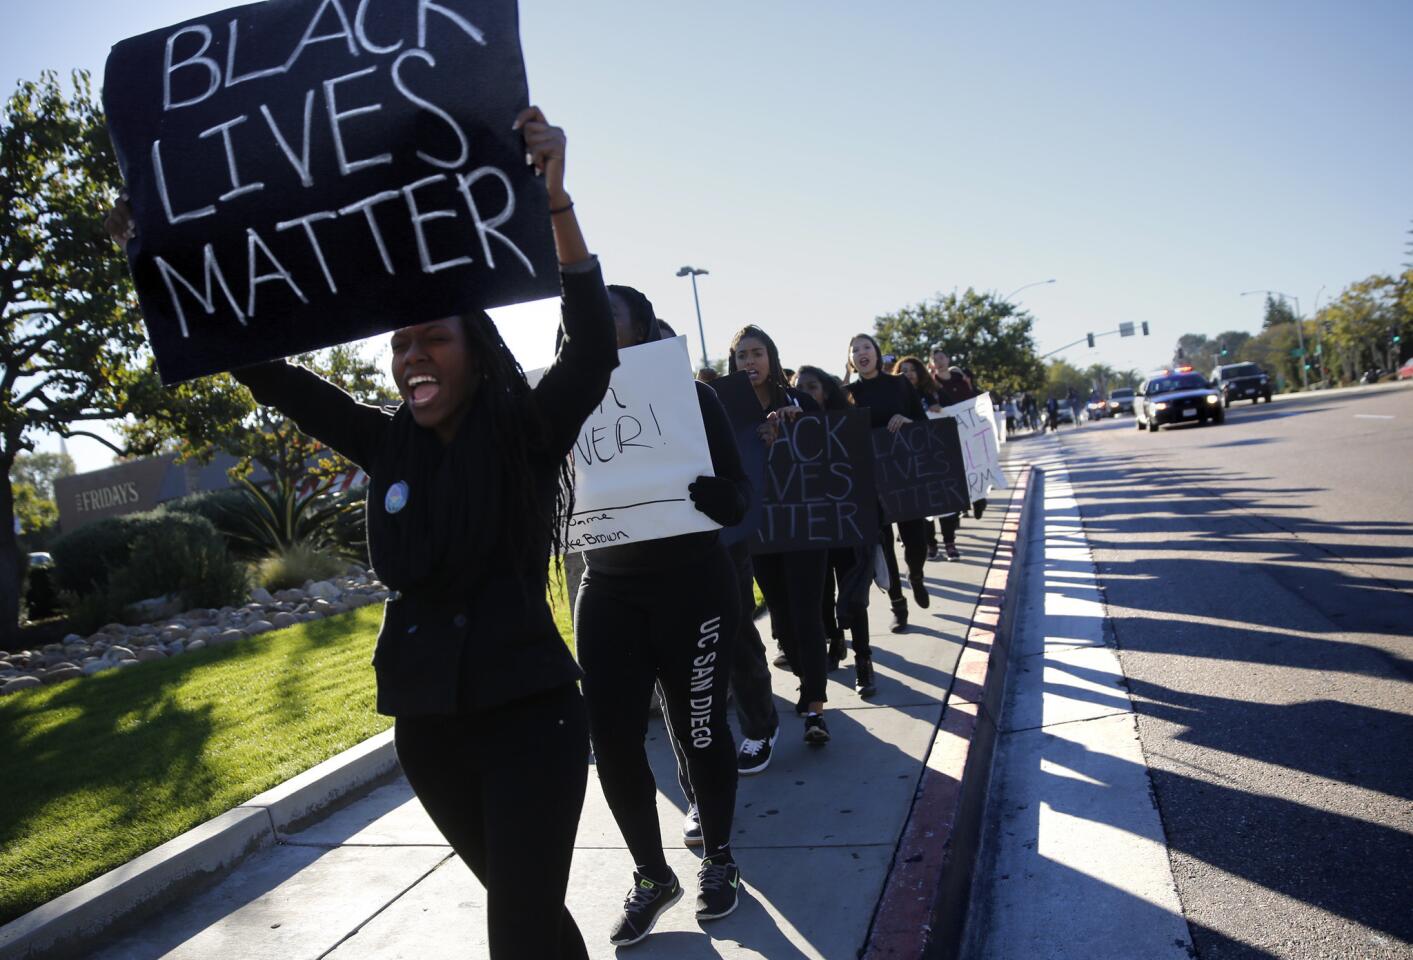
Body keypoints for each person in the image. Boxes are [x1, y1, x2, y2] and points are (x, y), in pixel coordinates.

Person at [108, 108, 608, 960]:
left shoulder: (523, 434)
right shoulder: (383, 443)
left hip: (531, 722)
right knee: (531, 919)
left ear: (476, 352)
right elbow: (270, 373)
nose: (412, 355)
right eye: (400, 342)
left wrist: (554, 202)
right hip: (428, 729)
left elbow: (592, 350)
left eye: (433, 339)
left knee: (517, 930)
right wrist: (156, 258)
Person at [572, 285, 750, 945]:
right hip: (608, 590)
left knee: (698, 730)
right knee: (612, 742)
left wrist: (721, 499)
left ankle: (719, 859)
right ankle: (651, 877)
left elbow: (739, 494)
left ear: (641, 327)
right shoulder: (562, 399)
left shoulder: (691, 397)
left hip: (693, 588)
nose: (586, 320)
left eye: (604, 312)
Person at [730, 325, 833, 743]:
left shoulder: (801, 402)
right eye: (741, 356)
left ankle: (814, 708)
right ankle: (802, 672)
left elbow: (832, 453)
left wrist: (798, 427)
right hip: (759, 527)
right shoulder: (727, 411)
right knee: (782, 615)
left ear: (771, 358)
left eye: (756, 353)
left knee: (808, 611)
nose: (749, 362)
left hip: (804, 521)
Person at [794, 365, 877, 696]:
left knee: (853, 596)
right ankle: (835, 642)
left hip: (847, 522)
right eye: (799, 388)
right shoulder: (788, 425)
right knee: (821, 595)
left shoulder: (848, 423)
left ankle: (864, 662)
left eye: (811, 387)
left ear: (825, 391)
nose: (805, 393)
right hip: (809, 526)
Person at [846, 333, 931, 630]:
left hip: (905, 476)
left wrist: (907, 422)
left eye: (866, 347)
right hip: (870, 483)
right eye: (855, 350)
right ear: (851, 360)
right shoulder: (847, 393)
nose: (861, 353)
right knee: (884, 546)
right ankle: (899, 606)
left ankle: (917, 575)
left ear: (877, 353)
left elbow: (923, 423)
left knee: (916, 540)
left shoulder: (899, 384)